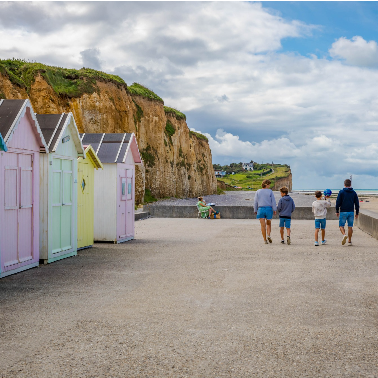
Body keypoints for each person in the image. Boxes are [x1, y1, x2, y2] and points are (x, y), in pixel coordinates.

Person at [336, 179, 359, 245]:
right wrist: (357, 213)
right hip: (351, 212)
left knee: (341, 226)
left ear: (344, 184)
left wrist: (337, 210)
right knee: (350, 226)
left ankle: (344, 234)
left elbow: (338, 202)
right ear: (350, 185)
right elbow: (357, 203)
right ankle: (349, 240)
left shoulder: (341, 192)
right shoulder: (354, 192)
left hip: (343, 211)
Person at [254, 179, 277, 244]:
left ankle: (265, 240)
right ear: (266, 185)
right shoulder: (270, 191)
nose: (269, 186)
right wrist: (274, 209)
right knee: (269, 224)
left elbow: (255, 202)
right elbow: (273, 201)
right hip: (268, 209)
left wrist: (255, 210)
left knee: (263, 226)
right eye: (269, 184)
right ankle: (268, 235)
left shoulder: (258, 191)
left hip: (260, 209)